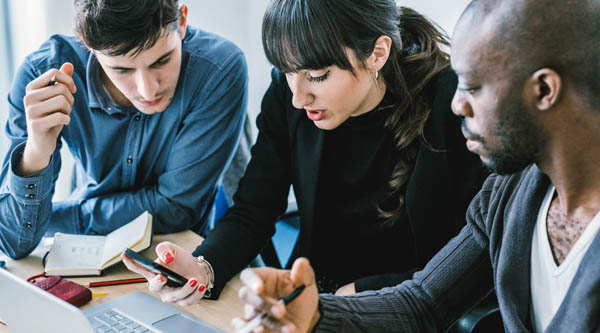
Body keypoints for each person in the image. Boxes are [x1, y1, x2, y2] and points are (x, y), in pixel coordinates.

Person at [232, 0, 600, 331]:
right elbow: (423, 301)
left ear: (543, 91)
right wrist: (316, 314)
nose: (457, 106)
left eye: (473, 88)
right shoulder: (507, 195)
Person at [123, 0, 487, 304]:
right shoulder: (290, 93)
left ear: (377, 53)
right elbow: (254, 209)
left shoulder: (451, 102)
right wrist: (204, 267)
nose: (299, 98)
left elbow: (480, 247)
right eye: (287, 72)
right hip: (311, 294)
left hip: (418, 302)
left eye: (317, 75)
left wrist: (366, 293)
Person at [0, 0, 247, 259]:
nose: (148, 90)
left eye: (161, 60)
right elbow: (13, 243)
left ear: (182, 22)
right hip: (80, 259)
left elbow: (176, 209)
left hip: (181, 260)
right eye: (122, 70)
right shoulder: (42, 77)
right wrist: (37, 152)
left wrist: (60, 219)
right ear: (87, 44)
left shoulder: (218, 69)